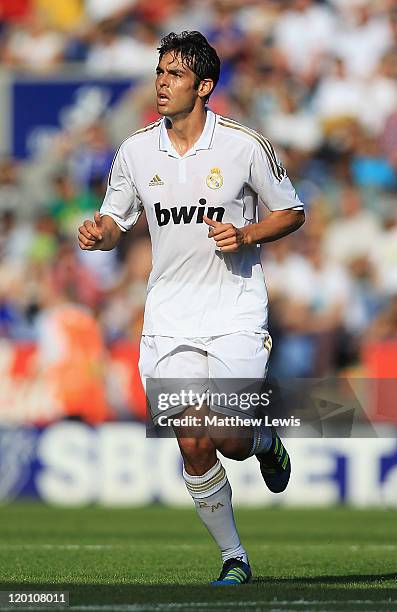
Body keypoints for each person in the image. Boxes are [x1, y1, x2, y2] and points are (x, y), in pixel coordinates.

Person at [78, 31, 305, 585]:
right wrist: (98, 231)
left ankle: (261, 440)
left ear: (204, 86)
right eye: (160, 71)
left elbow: (292, 211)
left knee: (228, 435)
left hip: (234, 311)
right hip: (169, 316)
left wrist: (246, 233)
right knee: (192, 441)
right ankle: (234, 557)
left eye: (175, 74)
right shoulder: (134, 149)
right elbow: (117, 220)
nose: (162, 82)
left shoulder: (243, 144)